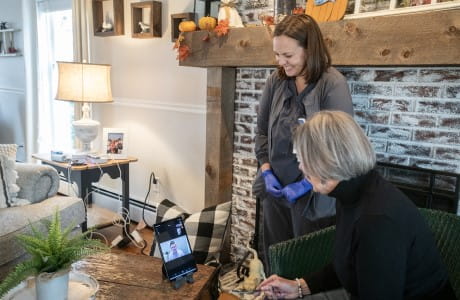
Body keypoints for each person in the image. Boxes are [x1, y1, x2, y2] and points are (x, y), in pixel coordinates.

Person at [258, 111, 456, 299]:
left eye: (303, 160)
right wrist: (299, 287)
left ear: (327, 162)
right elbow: (349, 263)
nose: (300, 167)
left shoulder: (377, 221)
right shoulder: (353, 191)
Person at [253, 13, 353, 270]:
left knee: (307, 264)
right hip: (276, 189)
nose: (281, 62)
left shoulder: (332, 84)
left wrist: (306, 184)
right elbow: (262, 131)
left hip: (313, 194)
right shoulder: (275, 82)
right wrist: (266, 171)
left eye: (288, 56)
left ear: (309, 49)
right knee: (276, 256)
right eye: (277, 55)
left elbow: (339, 148)